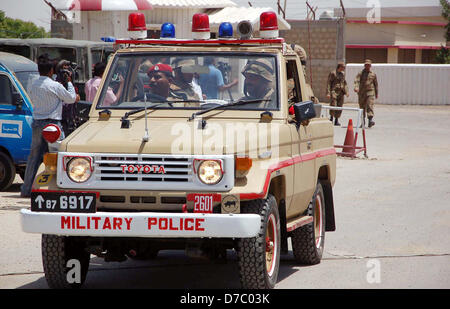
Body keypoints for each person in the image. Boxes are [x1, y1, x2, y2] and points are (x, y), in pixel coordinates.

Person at [20, 56, 78, 198]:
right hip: (53, 125)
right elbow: (70, 98)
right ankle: (62, 189)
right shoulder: (54, 85)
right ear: (52, 70)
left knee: (33, 157)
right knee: (59, 155)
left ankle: (26, 190)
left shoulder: (32, 84)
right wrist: (69, 83)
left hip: (37, 123)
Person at [354, 59, 378, 128]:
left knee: (370, 105)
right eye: (366, 65)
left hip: (370, 92)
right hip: (362, 92)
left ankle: (370, 120)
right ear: (364, 65)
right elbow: (357, 80)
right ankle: (363, 121)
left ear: (370, 66)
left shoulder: (373, 74)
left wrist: (376, 93)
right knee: (362, 107)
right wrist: (356, 87)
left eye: (368, 65)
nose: (367, 66)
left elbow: (376, 84)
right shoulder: (360, 73)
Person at [326, 62, 349, 126]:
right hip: (334, 92)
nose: (344, 68)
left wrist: (347, 92)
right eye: (343, 67)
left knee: (339, 106)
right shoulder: (333, 73)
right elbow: (329, 83)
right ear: (339, 67)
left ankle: (336, 120)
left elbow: (345, 83)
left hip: (341, 92)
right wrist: (328, 93)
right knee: (333, 105)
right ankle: (331, 119)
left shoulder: (343, 74)